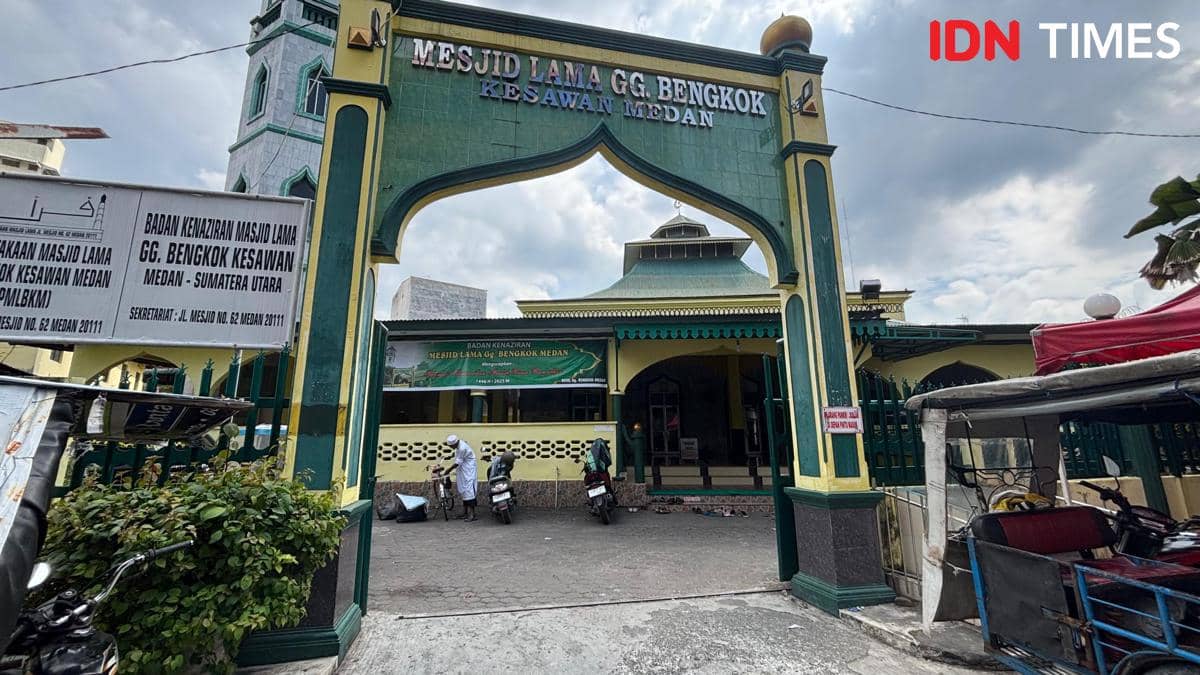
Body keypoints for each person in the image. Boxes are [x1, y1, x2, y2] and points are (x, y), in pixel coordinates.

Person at [444, 434, 478, 521]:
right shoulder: (459, 445)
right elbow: (457, 454)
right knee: (463, 490)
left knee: (469, 490)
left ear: (454, 444)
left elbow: (458, 462)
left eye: (451, 446)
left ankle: (472, 514)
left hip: (468, 470)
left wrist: (448, 470)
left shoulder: (462, 448)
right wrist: (451, 456)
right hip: (463, 469)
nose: (451, 448)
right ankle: (465, 512)